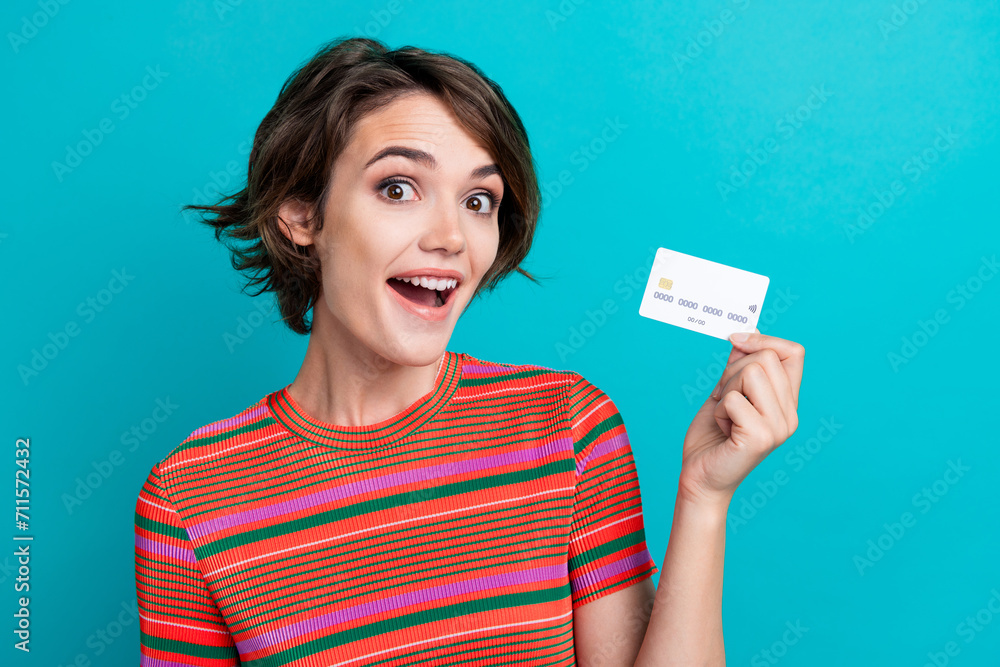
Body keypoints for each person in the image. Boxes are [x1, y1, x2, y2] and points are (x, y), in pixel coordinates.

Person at [133, 37, 804, 666]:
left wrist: (704, 495)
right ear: (302, 213)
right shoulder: (186, 501)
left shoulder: (568, 425)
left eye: (479, 200)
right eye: (398, 188)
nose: (452, 236)